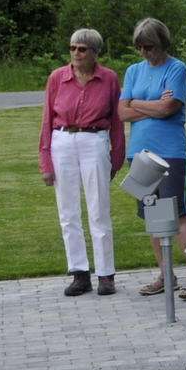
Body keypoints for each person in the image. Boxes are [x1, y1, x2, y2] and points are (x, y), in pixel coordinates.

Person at [118, 18, 186, 301]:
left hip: (170, 152)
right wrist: (152, 106)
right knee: (151, 214)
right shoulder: (133, 71)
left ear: (162, 43)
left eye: (148, 46)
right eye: (139, 47)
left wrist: (138, 104)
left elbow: (170, 107)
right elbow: (121, 112)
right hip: (139, 152)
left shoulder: (177, 68)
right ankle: (166, 275)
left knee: (177, 213)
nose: (143, 52)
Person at [40, 29, 124, 297]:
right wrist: (45, 161)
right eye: (73, 48)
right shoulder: (57, 78)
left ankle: (105, 274)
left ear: (95, 53)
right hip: (62, 140)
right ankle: (79, 273)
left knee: (98, 209)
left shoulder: (108, 78)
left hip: (94, 140)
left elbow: (117, 121)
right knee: (68, 212)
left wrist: (116, 157)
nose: (76, 53)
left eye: (82, 49)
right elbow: (46, 121)